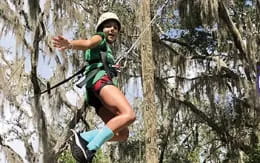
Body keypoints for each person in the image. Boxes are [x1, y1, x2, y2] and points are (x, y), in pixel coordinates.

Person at [52, 12, 136, 162]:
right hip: (99, 81)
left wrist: (111, 67)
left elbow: (96, 58)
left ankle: (83, 138)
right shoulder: (100, 38)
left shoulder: (105, 50)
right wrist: (70, 44)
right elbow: (88, 43)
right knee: (128, 115)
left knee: (122, 134)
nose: (112, 29)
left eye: (115, 27)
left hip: (94, 92)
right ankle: (91, 148)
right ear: (101, 28)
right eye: (108, 26)